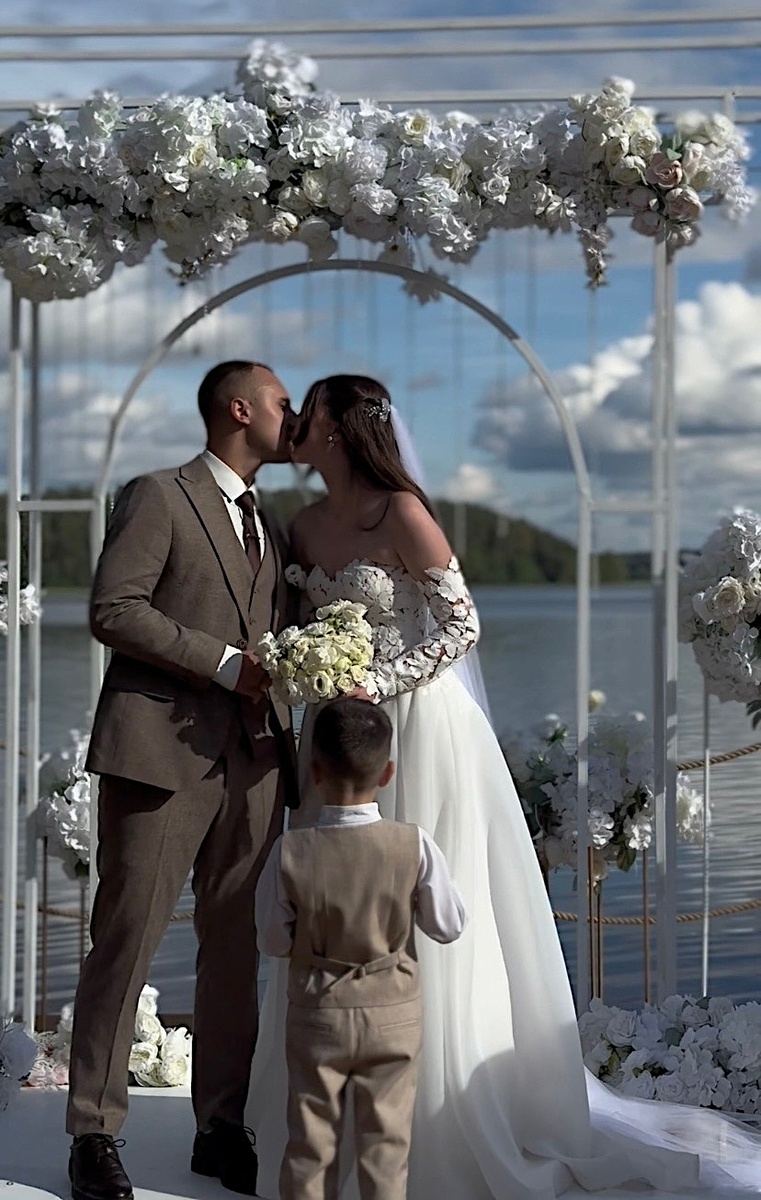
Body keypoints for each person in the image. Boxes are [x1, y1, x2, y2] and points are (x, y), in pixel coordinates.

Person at [247, 374, 761, 1200]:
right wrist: (311, 672)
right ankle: (326, 1109)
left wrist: (378, 680)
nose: (297, 424)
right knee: (331, 898)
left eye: (310, 412)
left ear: (338, 430)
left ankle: (443, 1108)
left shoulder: (400, 512)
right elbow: (300, 626)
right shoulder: (301, 525)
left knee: (433, 906)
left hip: (423, 727)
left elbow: (461, 625)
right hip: (338, 731)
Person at [67, 361, 299, 1200]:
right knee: (125, 941)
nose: (294, 416)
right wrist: (225, 663)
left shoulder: (272, 525)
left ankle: (220, 1127)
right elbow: (113, 608)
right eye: (282, 403)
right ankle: (93, 1134)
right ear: (239, 408)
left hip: (255, 765)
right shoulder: (159, 495)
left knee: (235, 952)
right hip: (158, 755)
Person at [256, 697, 466, 1200]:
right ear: (388, 772)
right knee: (386, 1151)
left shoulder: (289, 850)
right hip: (393, 1012)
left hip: (318, 1013)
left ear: (315, 772)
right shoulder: (413, 844)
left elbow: (272, 940)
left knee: (309, 1147)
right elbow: (447, 926)